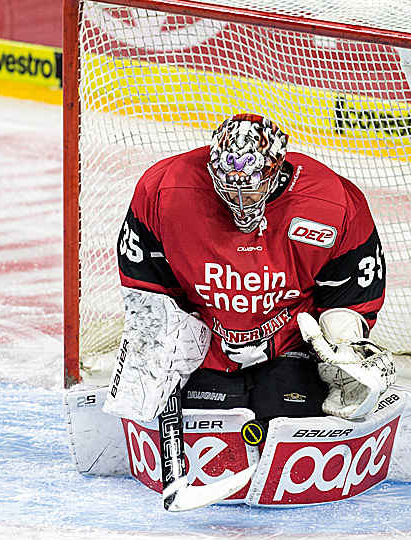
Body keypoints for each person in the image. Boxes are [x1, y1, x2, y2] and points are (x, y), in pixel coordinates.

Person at [108, 112, 394, 431]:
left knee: (290, 423)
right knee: (200, 427)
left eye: (252, 189)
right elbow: (147, 288)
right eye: (229, 188)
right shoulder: (164, 191)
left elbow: (351, 296)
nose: (241, 200)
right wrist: (157, 358)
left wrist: (346, 346)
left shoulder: (332, 203)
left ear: (277, 170)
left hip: (291, 347)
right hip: (204, 349)